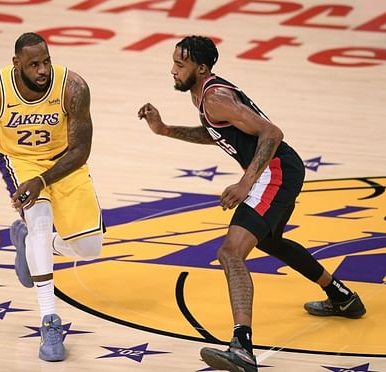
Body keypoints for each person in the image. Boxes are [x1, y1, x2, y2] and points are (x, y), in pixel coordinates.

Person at [137, 35, 366, 372]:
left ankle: (242, 348)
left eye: (180, 64)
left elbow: (272, 134)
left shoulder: (217, 97)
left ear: (201, 69)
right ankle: (342, 297)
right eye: (173, 62)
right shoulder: (201, 95)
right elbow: (215, 133)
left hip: (275, 171)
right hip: (280, 170)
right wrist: (165, 129)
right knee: (270, 240)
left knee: (230, 253)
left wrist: (246, 183)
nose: (172, 70)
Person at [0, 32, 104, 362]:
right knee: (39, 220)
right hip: (18, 161)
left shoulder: (73, 87)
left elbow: (81, 149)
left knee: (90, 248)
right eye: (33, 64)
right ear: (17, 64)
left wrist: (43, 179)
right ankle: (50, 321)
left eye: (46, 61)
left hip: (64, 163)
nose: (43, 70)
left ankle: (29, 245)